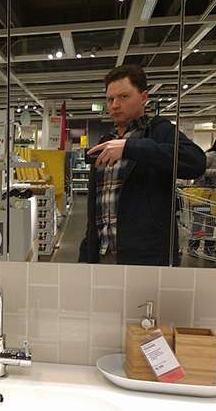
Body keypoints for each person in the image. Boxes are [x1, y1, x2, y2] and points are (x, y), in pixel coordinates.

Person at [79, 65, 206, 266]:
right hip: (103, 256)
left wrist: (130, 147)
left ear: (144, 97)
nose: (115, 105)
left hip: (147, 259)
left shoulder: (159, 132)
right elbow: (97, 207)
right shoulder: (106, 141)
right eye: (110, 99)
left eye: (124, 97)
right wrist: (86, 254)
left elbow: (196, 162)